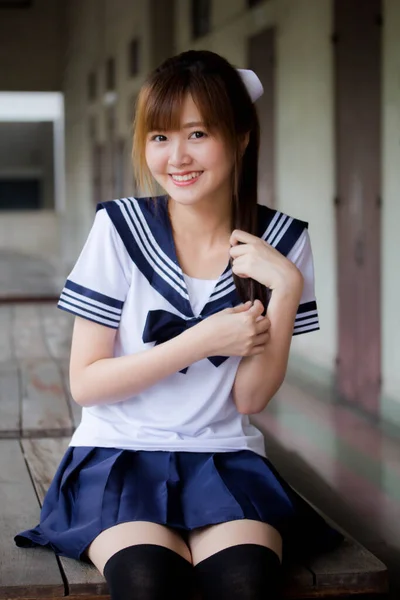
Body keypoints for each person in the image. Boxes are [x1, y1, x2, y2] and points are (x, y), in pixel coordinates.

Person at [15, 50, 343, 600]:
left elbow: (250, 398)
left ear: (240, 137)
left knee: (246, 582)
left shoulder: (283, 244)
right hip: (117, 457)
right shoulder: (118, 228)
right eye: (160, 137)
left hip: (225, 459)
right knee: (148, 584)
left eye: (197, 134)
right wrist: (201, 341)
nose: (177, 157)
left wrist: (284, 288)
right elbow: (86, 383)